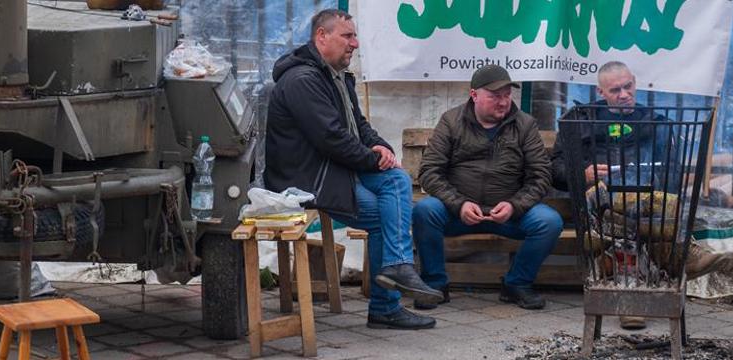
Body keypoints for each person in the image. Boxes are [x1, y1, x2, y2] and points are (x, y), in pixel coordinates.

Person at [265, 9, 442, 330]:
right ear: (322, 36)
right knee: (382, 214)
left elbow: (359, 126)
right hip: (306, 178)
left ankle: (397, 268)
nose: (355, 44)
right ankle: (387, 301)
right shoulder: (302, 80)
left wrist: (382, 148)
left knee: (397, 179)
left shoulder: (333, 75)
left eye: (355, 36)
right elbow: (330, 138)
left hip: (333, 168)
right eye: (347, 36)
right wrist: (374, 159)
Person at [412, 64, 563, 310]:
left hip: (508, 214)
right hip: (457, 212)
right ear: (474, 95)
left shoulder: (524, 125)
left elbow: (541, 176)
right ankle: (434, 284)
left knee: (549, 222)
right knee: (424, 210)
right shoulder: (451, 121)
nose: (503, 102)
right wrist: (458, 203)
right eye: (495, 96)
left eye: (507, 95)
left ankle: (516, 284)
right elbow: (429, 171)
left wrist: (515, 206)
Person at [551, 61, 676, 330]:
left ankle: (636, 284)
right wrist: (583, 173)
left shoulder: (653, 121)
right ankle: (631, 298)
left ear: (635, 82)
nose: (623, 94)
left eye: (628, 87)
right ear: (601, 92)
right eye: (615, 90)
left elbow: (672, 170)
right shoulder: (580, 120)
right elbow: (556, 170)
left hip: (645, 202)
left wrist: (654, 182)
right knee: (614, 211)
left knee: (642, 211)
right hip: (597, 205)